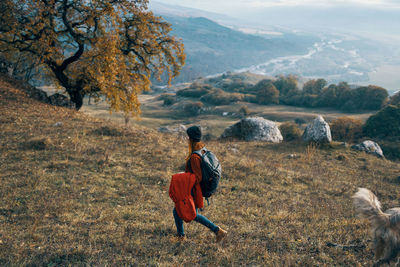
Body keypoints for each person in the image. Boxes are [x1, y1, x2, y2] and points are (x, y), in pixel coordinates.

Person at [172, 125, 227, 242]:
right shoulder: (202, 149)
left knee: (192, 214)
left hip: (194, 188)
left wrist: (182, 176)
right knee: (178, 210)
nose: (187, 139)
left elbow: (198, 177)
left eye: (188, 137)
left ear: (190, 138)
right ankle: (180, 235)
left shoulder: (195, 157)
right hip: (196, 187)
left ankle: (218, 230)